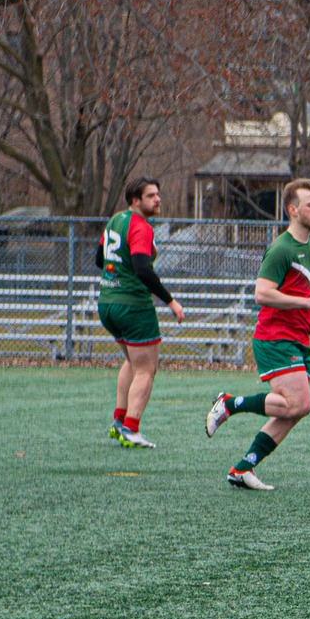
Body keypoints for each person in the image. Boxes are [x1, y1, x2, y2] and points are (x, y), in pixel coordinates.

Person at [204, 179, 310, 490]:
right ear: (292, 210)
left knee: (292, 411)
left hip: (298, 339)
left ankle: (243, 468)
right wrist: (308, 303)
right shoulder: (281, 248)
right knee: (299, 404)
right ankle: (230, 404)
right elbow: (262, 294)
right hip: (274, 337)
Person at [95, 178, 186, 447]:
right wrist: (171, 302)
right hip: (133, 306)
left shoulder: (115, 220)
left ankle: (119, 421)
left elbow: (100, 259)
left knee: (132, 363)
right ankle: (131, 429)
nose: (157, 199)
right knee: (146, 369)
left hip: (107, 303)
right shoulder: (140, 226)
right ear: (136, 199)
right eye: (151, 195)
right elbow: (143, 269)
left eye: (158, 194)